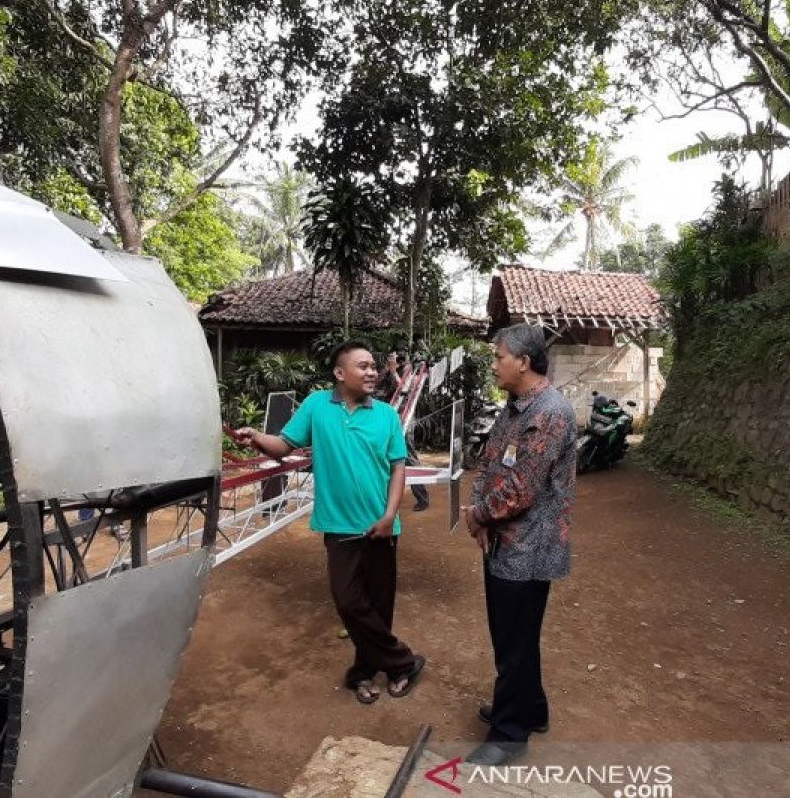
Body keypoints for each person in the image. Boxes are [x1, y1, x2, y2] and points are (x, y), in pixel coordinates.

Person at [235, 341, 426, 704]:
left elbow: (398, 467)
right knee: (349, 602)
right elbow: (284, 445)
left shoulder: (386, 415)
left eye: (374, 366)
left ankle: (364, 673)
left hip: (381, 528)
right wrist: (258, 438)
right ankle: (404, 662)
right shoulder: (316, 406)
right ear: (340, 374)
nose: (372, 372)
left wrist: (389, 516)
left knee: (379, 606)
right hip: (338, 527)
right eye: (363, 366)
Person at [462, 323, 576, 766]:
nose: (494, 364)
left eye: (498, 357)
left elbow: (521, 489)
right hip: (505, 542)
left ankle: (509, 733)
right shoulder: (515, 409)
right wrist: (478, 512)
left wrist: (477, 515)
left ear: (523, 362)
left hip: (529, 549)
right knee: (514, 636)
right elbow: (490, 463)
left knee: (514, 638)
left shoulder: (549, 413)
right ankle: (531, 709)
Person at [375, 351, 430, 512]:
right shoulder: (384, 372)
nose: (395, 361)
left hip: (404, 420)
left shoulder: (409, 372)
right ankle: (384, 497)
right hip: (386, 419)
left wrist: (393, 372)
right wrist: (388, 371)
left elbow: (405, 391)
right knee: (384, 457)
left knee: (409, 457)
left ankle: (422, 498)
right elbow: (377, 389)